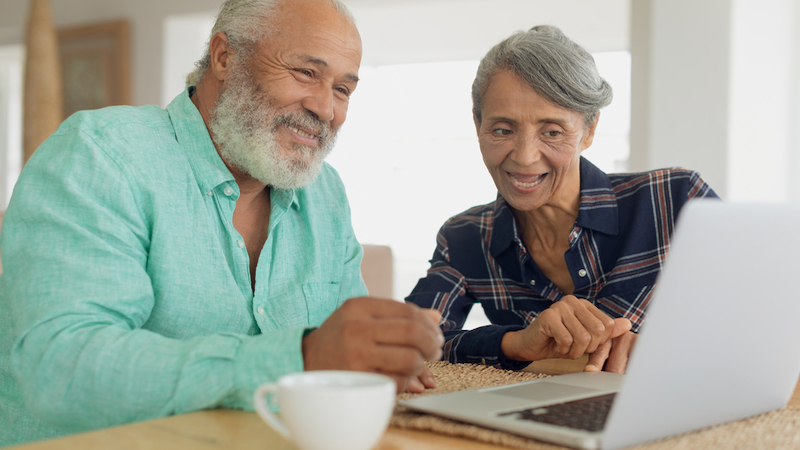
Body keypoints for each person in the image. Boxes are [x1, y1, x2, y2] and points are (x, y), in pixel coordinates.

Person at [0, 0, 443, 446]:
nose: (326, 109)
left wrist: (384, 356)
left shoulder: (325, 194)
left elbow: (345, 360)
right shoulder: (100, 155)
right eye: (306, 73)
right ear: (224, 56)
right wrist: (300, 355)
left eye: (344, 89)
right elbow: (62, 369)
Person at [406, 25, 717, 374]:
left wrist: (666, 346)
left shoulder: (675, 200)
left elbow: (767, 313)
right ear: (477, 124)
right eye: (502, 130)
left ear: (590, 130)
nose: (524, 157)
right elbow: (414, 343)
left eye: (552, 132)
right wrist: (516, 343)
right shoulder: (464, 237)